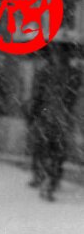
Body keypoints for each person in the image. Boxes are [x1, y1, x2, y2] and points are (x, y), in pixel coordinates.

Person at [26, 38, 82, 201]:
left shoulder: (45, 72)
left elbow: (37, 95)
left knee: (43, 147)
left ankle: (43, 178)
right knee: (57, 150)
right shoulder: (75, 74)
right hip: (63, 116)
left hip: (48, 115)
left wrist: (34, 114)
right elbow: (74, 96)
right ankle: (51, 179)